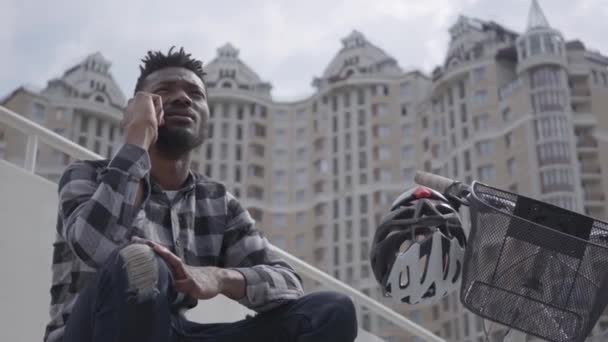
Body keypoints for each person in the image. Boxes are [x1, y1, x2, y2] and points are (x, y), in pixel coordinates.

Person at [44, 47, 357, 342]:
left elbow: (288, 285)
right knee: (140, 261)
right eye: (165, 90)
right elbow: (95, 246)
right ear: (137, 107)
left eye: (195, 94)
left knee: (331, 311)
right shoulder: (86, 176)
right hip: (91, 332)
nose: (182, 98)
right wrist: (138, 138)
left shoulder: (216, 201)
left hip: (174, 331)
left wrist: (218, 278)